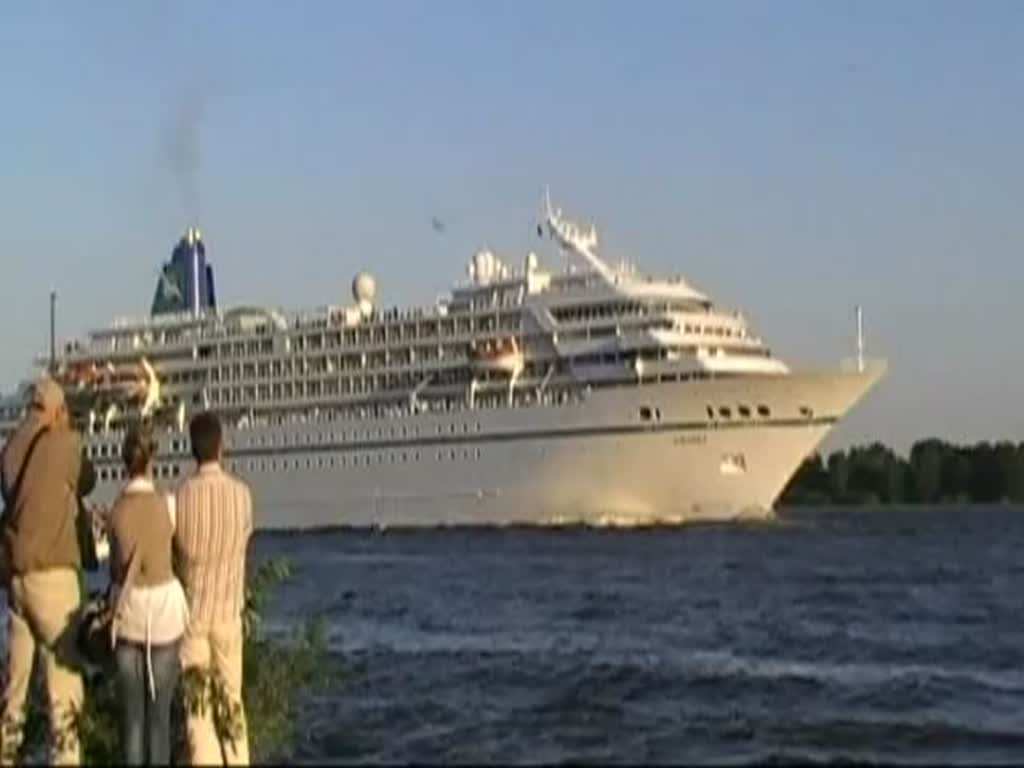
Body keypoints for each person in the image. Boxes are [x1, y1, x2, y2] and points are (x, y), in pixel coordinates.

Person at [0, 377, 85, 765]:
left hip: (16, 577)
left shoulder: (11, 447)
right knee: (63, 689)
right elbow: (88, 479)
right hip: (53, 576)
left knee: (14, 689)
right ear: (56, 410)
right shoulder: (62, 443)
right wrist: (65, 431)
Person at [107, 424, 189, 765]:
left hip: (128, 618)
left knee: (133, 723)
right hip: (165, 615)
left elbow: (114, 569)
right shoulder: (167, 504)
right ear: (151, 461)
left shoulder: (115, 512)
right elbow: (178, 555)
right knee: (159, 719)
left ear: (125, 463)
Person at [175, 412, 253, 765]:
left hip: (192, 619)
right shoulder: (242, 495)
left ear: (192, 449)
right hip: (227, 613)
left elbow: (176, 550)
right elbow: (243, 540)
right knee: (232, 703)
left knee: (198, 713)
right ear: (221, 446)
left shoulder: (182, 496)